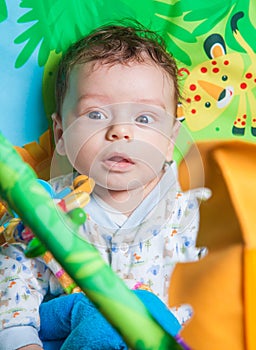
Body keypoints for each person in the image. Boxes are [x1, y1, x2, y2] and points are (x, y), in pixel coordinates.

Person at [0, 21, 210, 349]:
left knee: (151, 310)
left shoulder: (185, 209)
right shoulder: (49, 207)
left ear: (170, 140)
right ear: (61, 136)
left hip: (156, 333)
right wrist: (19, 338)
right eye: (96, 115)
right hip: (64, 331)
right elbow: (14, 272)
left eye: (143, 119)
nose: (120, 132)